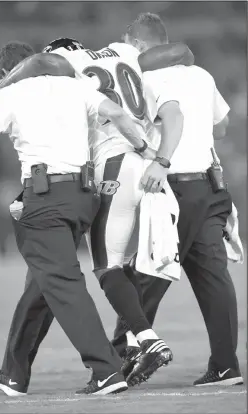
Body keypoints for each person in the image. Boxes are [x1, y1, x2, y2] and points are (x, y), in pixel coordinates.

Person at [0, 41, 159, 396]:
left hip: (45, 196)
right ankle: (14, 372)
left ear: (8, 73)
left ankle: (106, 370)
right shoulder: (76, 85)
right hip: (83, 196)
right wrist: (144, 149)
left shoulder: (13, 92)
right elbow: (117, 114)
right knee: (43, 283)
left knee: (63, 284)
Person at [0, 37, 189, 386]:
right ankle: (125, 346)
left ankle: (143, 341)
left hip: (107, 168)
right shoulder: (125, 50)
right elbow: (171, 54)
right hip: (137, 164)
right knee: (118, 263)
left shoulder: (58, 73)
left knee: (104, 268)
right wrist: (150, 151)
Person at [112, 12, 243, 387]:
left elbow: (170, 118)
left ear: (136, 44)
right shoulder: (201, 74)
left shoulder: (142, 78)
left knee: (147, 274)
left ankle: (119, 357)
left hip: (169, 187)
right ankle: (225, 365)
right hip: (208, 186)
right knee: (213, 278)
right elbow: (221, 125)